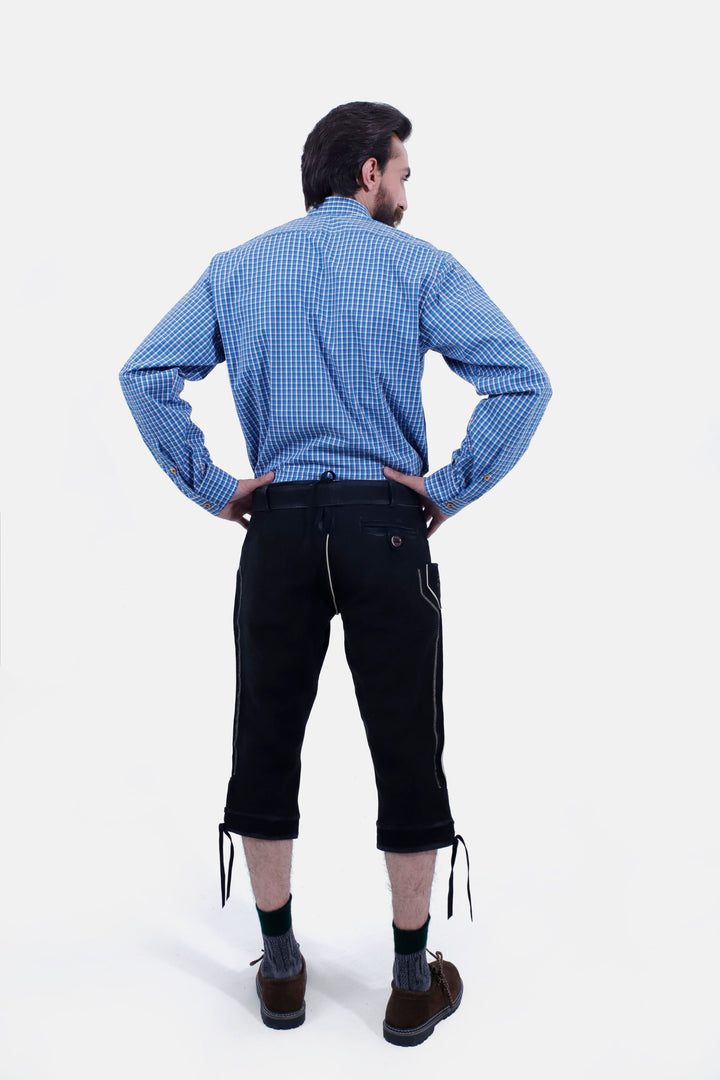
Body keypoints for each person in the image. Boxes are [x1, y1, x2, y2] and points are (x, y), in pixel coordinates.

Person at [119, 101, 552, 1046]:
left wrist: (217, 488)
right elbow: (522, 378)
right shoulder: (417, 264)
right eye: (401, 172)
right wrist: (446, 488)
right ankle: (408, 981)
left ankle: (279, 969)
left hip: (275, 529)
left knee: (265, 737)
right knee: (406, 741)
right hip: (386, 530)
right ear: (365, 172)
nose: (405, 189)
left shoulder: (239, 267)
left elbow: (146, 373)